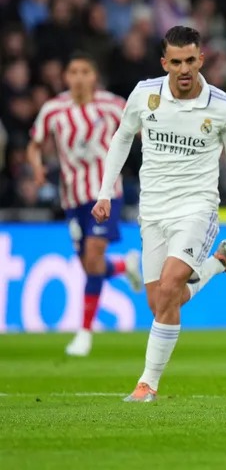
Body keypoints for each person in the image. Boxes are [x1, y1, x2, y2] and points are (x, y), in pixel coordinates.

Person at [92, 26, 226, 402]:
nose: (184, 69)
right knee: (163, 301)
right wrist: (105, 194)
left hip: (197, 207)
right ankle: (218, 262)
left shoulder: (222, 105)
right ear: (165, 62)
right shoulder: (144, 95)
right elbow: (120, 140)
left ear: (202, 60)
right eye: (176, 62)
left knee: (169, 288)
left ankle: (147, 384)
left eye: (191, 61)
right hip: (152, 210)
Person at [27, 52, 143, 357]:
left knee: (92, 256)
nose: (79, 77)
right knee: (88, 265)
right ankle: (123, 265)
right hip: (72, 198)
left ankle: (84, 333)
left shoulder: (113, 105)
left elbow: (142, 129)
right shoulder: (54, 109)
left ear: (94, 76)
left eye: (85, 71)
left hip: (105, 193)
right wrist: (37, 166)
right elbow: (34, 144)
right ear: (66, 77)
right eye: (73, 71)